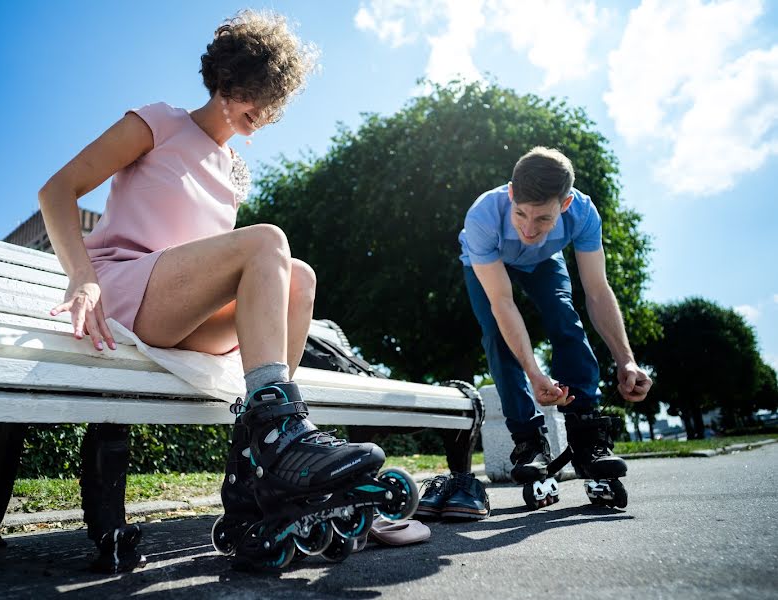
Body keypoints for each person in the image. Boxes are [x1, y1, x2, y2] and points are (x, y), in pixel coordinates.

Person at [39, 10, 388, 572]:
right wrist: (82, 278)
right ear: (227, 79)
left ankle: (261, 462)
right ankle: (279, 437)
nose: (264, 111)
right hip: (124, 287)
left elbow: (218, 268)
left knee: (299, 278)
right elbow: (57, 189)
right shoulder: (160, 122)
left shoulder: (231, 170)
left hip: (179, 312)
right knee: (268, 241)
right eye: (255, 92)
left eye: (274, 101)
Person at [457, 147, 652, 493]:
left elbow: (597, 291)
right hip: (487, 262)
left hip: (546, 260)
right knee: (496, 336)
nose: (530, 230)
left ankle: (587, 432)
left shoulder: (583, 214)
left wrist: (626, 360)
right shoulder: (483, 217)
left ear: (564, 205)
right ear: (512, 194)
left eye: (543, 219)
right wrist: (534, 373)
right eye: (521, 215)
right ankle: (528, 442)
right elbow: (503, 303)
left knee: (565, 314)